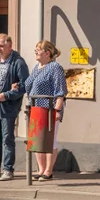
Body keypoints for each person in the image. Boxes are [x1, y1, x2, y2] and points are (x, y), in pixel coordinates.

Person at [0, 34, 29, 182]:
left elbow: (24, 85)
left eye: (2, 46)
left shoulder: (18, 63)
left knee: (7, 138)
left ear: (10, 46)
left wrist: (7, 94)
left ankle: (8, 170)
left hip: (7, 106)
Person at [23, 41, 68, 180]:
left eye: (38, 50)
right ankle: (41, 170)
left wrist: (58, 110)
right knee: (37, 141)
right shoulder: (37, 68)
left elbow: (60, 91)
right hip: (35, 108)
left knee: (50, 140)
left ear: (47, 53)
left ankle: (48, 171)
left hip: (49, 108)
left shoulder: (55, 67)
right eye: (35, 49)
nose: (35, 52)